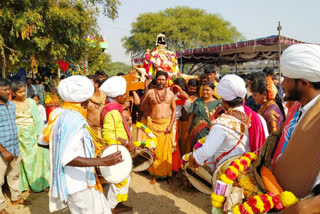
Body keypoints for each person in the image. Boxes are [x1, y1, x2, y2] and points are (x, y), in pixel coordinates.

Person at [39, 75, 123, 214]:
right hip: (80, 183)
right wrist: (102, 161)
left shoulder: (58, 113)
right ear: (85, 101)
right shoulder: (74, 120)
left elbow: (43, 141)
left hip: (70, 182)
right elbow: (67, 158)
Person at [270, 44, 320, 213]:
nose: (281, 83)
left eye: (287, 79)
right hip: (278, 195)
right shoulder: (296, 107)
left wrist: (302, 207)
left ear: (304, 83)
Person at [189, 75, 268, 171]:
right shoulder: (258, 118)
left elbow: (207, 151)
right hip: (250, 172)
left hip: (226, 175)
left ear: (223, 100)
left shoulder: (221, 123)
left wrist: (194, 157)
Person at [99, 76, 134, 213]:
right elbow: (109, 136)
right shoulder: (113, 112)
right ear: (118, 96)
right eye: (125, 94)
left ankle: (117, 203)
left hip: (121, 149)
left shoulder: (114, 109)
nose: (126, 97)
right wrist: (126, 143)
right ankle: (111, 207)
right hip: (117, 150)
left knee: (125, 177)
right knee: (119, 178)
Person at [11, 81, 50, 192]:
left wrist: (39, 134)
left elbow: (37, 119)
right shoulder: (11, 104)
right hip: (20, 136)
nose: (23, 94)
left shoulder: (31, 102)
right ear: (13, 93)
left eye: (24, 91)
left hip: (33, 134)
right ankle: (26, 185)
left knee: (38, 160)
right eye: (20, 92)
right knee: (24, 161)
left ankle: (40, 183)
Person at [0, 79, 31, 214]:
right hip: (2, 150)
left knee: (14, 175)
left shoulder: (11, 105)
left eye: (9, 89)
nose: (8, 92)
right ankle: (1, 207)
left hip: (14, 146)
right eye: (5, 90)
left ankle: (16, 198)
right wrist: (3, 150)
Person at [140, 70, 176, 183]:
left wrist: (170, 125)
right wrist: (146, 100)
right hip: (153, 125)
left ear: (166, 81)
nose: (161, 81)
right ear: (156, 80)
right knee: (153, 149)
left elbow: (174, 111)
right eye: (159, 79)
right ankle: (154, 172)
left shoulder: (170, 94)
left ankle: (166, 173)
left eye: (163, 79)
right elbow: (141, 108)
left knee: (166, 150)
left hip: (166, 125)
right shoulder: (150, 92)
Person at [184, 81, 222, 154]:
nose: (205, 92)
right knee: (194, 151)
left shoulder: (218, 103)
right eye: (204, 90)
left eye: (207, 90)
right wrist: (187, 131)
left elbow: (220, 118)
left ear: (213, 91)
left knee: (207, 151)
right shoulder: (197, 101)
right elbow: (191, 116)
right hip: (194, 132)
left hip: (209, 132)